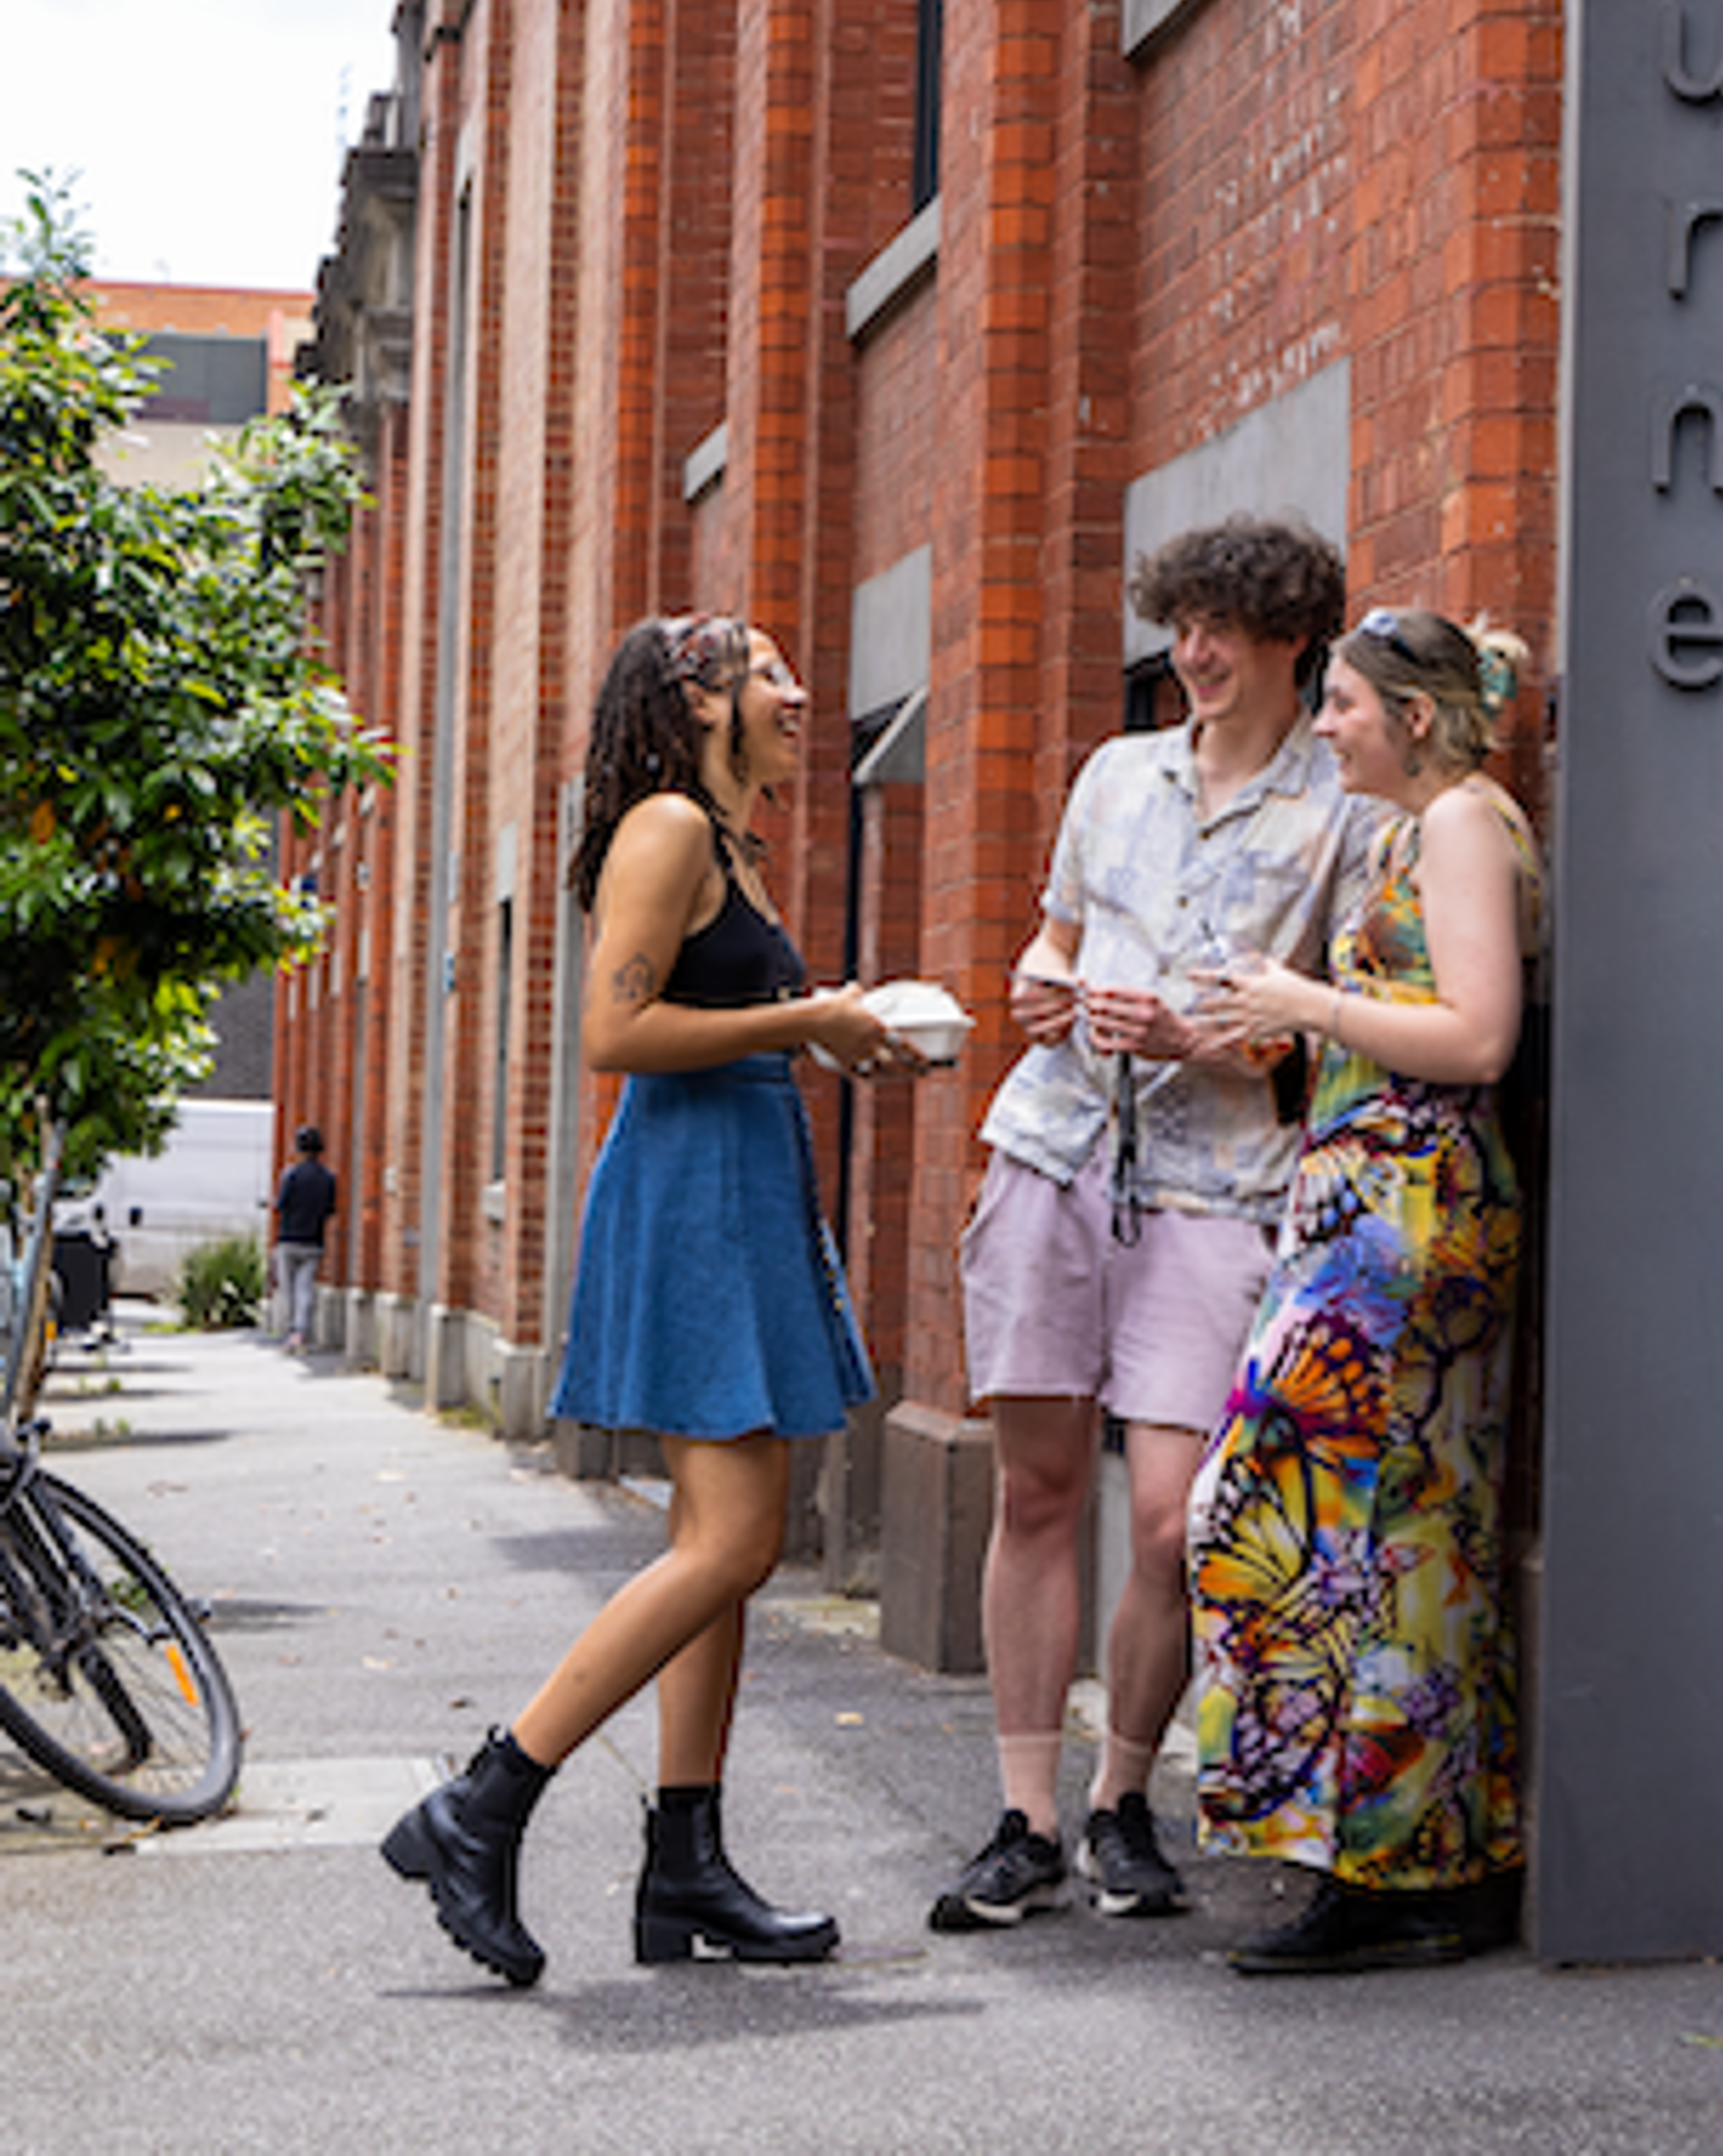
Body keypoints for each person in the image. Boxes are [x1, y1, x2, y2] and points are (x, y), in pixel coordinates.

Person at [382, 613, 920, 1988]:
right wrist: (806, 1019)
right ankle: (485, 1796)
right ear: (699, 695)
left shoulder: (721, 837)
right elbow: (617, 1033)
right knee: (735, 1542)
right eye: (770, 673)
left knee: (715, 1539)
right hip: (692, 1197)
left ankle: (685, 1861)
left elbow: (710, 1024)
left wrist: (833, 1035)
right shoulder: (667, 825)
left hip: (735, 1178)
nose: (800, 691)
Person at [930, 519, 1377, 1935]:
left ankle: (1127, 1795)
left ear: (1291, 637)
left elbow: (1331, 1034)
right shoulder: (1117, 773)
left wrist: (1203, 1034)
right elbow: (1056, 933)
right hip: (1055, 1147)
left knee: (1177, 1519)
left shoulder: (1342, 812)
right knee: (1037, 1490)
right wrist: (1039, 979)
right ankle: (1027, 1814)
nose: (1193, 652)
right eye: (1181, 623)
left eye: (1222, 628)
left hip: (1216, 1183)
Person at [1192, 605, 1542, 1974]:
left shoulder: (1461, 820)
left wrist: (1312, 1002)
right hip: (1371, 1211)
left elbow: (1477, 1033)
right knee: (1391, 1540)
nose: (1321, 722)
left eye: (1339, 701)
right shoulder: (1417, 820)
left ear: (1410, 715)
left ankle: (1401, 1866)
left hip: (1408, 1218)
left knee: (1323, 1523)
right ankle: (1402, 1857)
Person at [267, 1124, 338, 1350]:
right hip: (313, 1241)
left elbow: (282, 1204)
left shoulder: (291, 1174)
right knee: (305, 1288)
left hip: (289, 1239)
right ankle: (301, 1330)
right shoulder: (328, 1178)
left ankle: (289, 1331)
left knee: (287, 1289)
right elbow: (330, 1209)